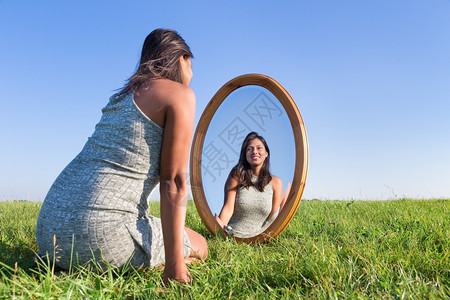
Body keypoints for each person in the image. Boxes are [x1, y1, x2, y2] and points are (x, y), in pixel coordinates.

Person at [35, 28, 207, 284]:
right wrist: (175, 266)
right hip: (99, 234)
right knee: (200, 244)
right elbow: (174, 182)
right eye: (190, 64)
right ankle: (151, 265)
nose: (191, 75)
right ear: (181, 59)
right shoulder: (180, 94)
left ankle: (72, 262)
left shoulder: (123, 95)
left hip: (49, 233)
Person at [215, 132, 283, 238]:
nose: (254, 152)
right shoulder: (236, 175)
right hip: (232, 237)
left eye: (259, 148)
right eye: (249, 149)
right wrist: (218, 233)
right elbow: (228, 208)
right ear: (245, 154)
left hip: (258, 240)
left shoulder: (276, 182)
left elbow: (273, 219)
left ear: (266, 153)